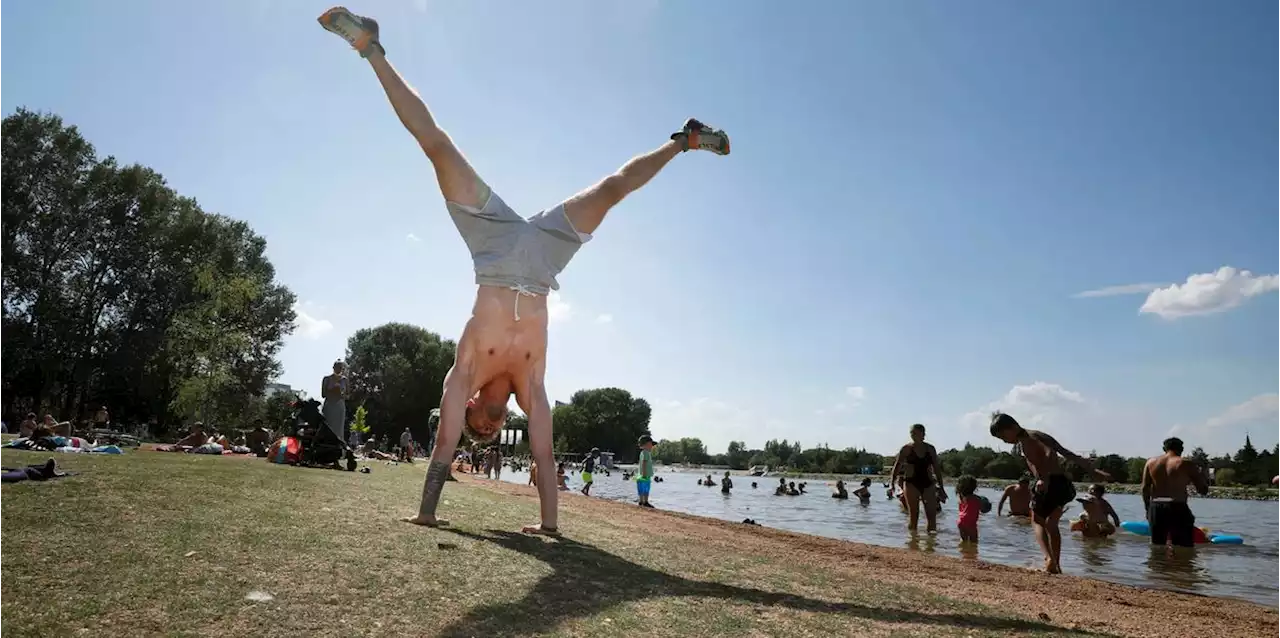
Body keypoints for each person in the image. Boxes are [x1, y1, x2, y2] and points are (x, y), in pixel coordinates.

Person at [316, 8, 730, 536]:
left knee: (436, 146)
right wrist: (550, 528)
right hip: (540, 263)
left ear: (468, 408)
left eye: (480, 428)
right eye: (491, 434)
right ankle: (686, 140)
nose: (489, 429)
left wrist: (426, 512)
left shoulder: (463, 371)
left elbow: (444, 443)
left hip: (491, 251)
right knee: (612, 190)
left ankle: (369, 47)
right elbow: (544, 452)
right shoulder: (532, 387)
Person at [989, 412, 1110, 573]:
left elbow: (1050, 453)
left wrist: (1043, 478)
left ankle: (1048, 558)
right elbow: (1064, 452)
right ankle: (1056, 564)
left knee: (1036, 520)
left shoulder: (1027, 440)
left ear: (1012, 427)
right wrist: (1091, 468)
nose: (1004, 441)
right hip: (1063, 484)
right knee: (1052, 524)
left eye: (1003, 436)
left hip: (1049, 483)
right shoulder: (1038, 434)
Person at [1141, 437, 1209, 548]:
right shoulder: (1186, 463)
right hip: (1177, 507)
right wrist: (1202, 475)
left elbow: (1144, 488)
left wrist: (1148, 508)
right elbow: (1203, 490)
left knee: (1157, 547)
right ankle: (1179, 565)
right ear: (1181, 449)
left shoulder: (1150, 462)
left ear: (1164, 448)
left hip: (1156, 507)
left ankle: (1158, 564)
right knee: (1183, 548)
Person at [889, 424, 945, 533]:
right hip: (911, 483)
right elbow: (897, 466)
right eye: (911, 433)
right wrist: (892, 482)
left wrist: (941, 487)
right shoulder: (906, 449)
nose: (913, 435)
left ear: (923, 434)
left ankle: (931, 545)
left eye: (915, 433)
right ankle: (913, 543)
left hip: (928, 483)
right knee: (914, 516)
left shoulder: (930, 449)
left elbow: (937, 469)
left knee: (931, 517)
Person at [321, 361, 348, 443]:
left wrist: (341, 393)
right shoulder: (327, 379)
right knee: (327, 427)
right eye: (337, 367)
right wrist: (332, 390)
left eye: (341, 368)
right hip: (329, 405)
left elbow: (348, 396)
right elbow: (323, 394)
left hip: (339, 406)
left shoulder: (345, 380)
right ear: (333, 368)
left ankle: (338, 447)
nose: (339, 370)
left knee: (338, 429)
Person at [955, 475, 981, 543]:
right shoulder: (976, 498)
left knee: (964, 540)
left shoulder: (962, 498)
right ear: (974, 487)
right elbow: (983, 508)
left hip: (961, 521)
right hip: (971, 523)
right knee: (974, 541)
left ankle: (963, 551)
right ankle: (972, 553)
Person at [636, 435, 656, 508]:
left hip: (640, 475)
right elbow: (644, 462)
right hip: (645, 475)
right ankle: (645, 502)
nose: (652, 447)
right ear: (646, 445)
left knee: (641, 489)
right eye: (651, 445)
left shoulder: (643, 452)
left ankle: (641, 501)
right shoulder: (646, 453)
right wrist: (644, 473)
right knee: (646, 489)